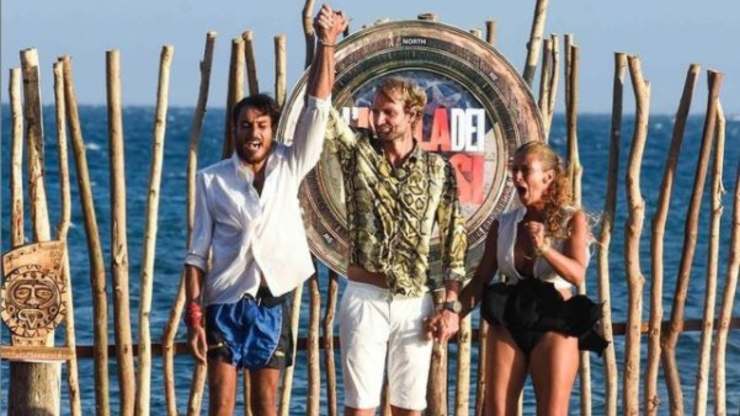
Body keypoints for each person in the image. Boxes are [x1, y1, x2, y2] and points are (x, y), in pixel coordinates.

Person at [182, 6, 347, 415]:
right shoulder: (211, 180)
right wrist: (195, 318)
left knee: (264, 405)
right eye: (245, 125)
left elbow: (317, 107)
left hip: (272, 301)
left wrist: (326, 44)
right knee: (221, 403)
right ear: (234, 130)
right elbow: (196, 255)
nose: (253, 133)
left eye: (261, 125)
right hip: (224, 302)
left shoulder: (291, 165)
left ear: (273, 130)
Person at [324, 75, 468, 415]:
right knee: (359, 408)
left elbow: (454, 241)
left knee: (409, 409)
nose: (378, 120)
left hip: (414, 303)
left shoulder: (438, 170)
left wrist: (450, 306)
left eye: (388, 112)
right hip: (365, 296)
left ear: (413, 115)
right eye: (375, 111)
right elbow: (321, 111)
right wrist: (326, 49)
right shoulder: (358, 152)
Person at [444, 141, 607, 415]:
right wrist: (453, 313)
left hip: (556, 320)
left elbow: (577, 273)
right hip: (510, 319)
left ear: (548, 177)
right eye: (514, 170)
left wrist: (544, 249)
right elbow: (480, 281)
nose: (517, 177)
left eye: (525, 170)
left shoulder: (572, 220)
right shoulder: (504, 224)